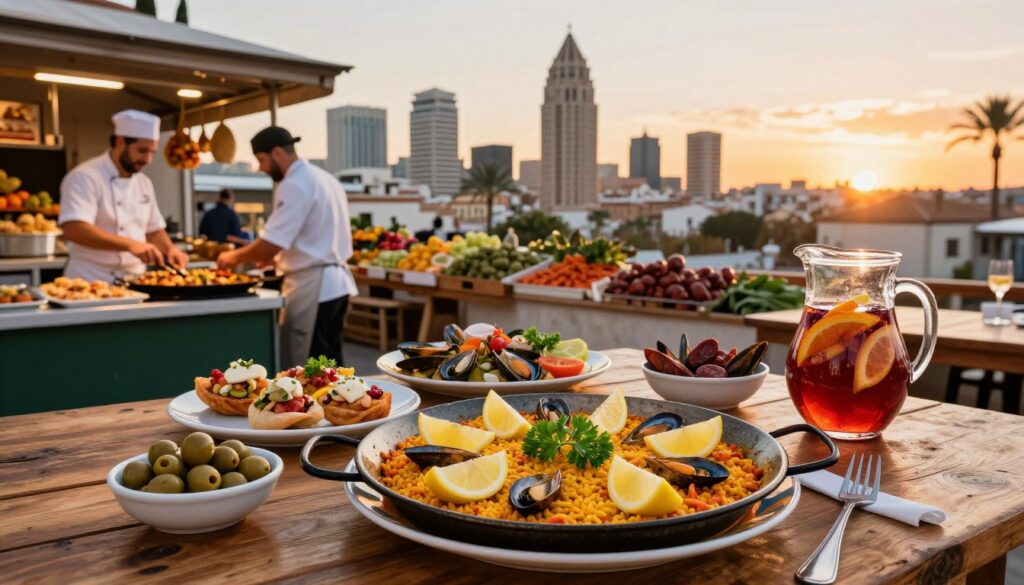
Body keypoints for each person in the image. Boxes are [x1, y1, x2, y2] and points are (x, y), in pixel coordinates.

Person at [217, 126, 357, 366]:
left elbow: (271, 243)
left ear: (277, 153)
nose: (261, 168)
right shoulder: (325, 178)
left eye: (261, 160)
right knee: (333, 367)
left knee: (310, 369)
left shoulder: (295, 183)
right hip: (338, 285)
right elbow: (312, 233)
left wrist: (232, 257)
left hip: (313, 286)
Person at [59, 109, 188, 281]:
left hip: (135, 279)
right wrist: (131, 245)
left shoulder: (144, 182)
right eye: (142, 151)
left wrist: (170, 249)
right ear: (120, 142)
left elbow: (153, 230)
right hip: (89, 278)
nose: (148, 160)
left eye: (151, 152)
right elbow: (75, 229)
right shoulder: (85, 177)